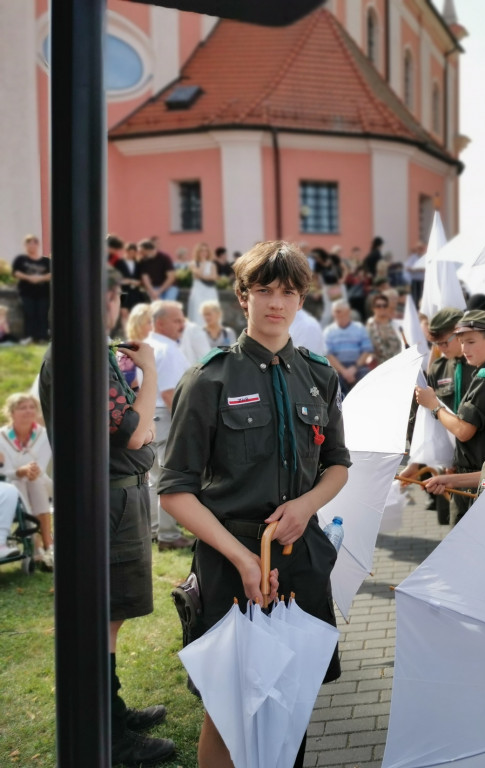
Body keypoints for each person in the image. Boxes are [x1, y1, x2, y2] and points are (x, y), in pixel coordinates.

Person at [159, 241, 351, 768]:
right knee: (227, 710)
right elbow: (175, 490)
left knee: (294, 700)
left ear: (302, 299)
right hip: (231, 561)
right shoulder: (210, 378)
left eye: (289, 292)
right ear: (242, 296)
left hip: (300, 559)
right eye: (264, 290)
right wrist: (243, 558)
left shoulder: (319, 374)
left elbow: (337, 465)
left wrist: (306, 506)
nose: (277, 303)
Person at [39, 269, 175, 765]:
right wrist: (152, 372)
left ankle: (111, 712)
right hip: (108, 504)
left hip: (112, 499)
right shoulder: (84, 351)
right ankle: (110, 733)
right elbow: (135, 432)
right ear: (110, 298)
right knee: (105, 618)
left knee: (109, 617)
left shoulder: (82, 348)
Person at [414, 310, 485, 524]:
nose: (465, 348)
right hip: (472, 472)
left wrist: (434, 406)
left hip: (480, 477)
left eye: (471, 342)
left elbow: (464, 430)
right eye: (462, 342)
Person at [399, 307, 471, 525]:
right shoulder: (439, 367)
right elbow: (430, 423)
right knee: (456, 527)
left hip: (477, 461)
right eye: (435, 344)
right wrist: (418, 463)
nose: (440, 349)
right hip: (449, 465)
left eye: (444, 342)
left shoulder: (480, 367)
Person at [145, 300, 192, 551]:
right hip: (166, 416)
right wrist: (186, 426)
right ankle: (168, 535)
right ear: (160, 323)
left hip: (147, 418)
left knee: (153, 479)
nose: (181, 324)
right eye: (176, 320)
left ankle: (155, 530)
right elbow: (170, 393)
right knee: (169, 479)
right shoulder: (168, 349)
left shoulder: (146, 346)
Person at [0, 393, 54, 570]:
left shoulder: (44, 435)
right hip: (13, 483)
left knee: (35, 482)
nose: (28, 411)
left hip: (40, 481)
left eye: (32, 407)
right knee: (17, 485)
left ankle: (44, 544)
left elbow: (41, 467)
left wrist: (28, 472)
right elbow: (4, 471)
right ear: (12, 412)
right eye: (23, 407)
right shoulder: (2, 437)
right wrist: (20, 471)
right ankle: (42, 545)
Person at [323, 299, 374, 394]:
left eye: (339, 311)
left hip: (358, 366)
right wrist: (344, 372)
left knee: (368, 381)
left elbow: (366, 350)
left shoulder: (359, 328)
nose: (336, 314)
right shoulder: (328, 331)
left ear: (347, 312)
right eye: (334, 312)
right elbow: (328, 354)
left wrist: (354, 368)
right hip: (337, 368)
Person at [12, 233, 51, 343]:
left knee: (42, 314)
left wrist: (39, 278)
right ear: (25, 246)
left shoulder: (46, 261)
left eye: (34, 244)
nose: (32, 246)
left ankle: (42, 337)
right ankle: (30, 337)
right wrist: (30, 277)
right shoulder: (20, 260)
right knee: (29, 314)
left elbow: (52, 274)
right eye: (29, 244)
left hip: (43, 293)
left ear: (37, 245)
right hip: (26, 293)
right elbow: (16, 273)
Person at [186, 243, 220, 324]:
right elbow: (197, 274)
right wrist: (203, 263)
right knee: (198, 312)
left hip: (210, 291)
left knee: (212, 310)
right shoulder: (193, 263)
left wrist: (202, 276)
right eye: (202, 251)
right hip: (198, 290)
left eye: (206, 251)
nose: (204, 253)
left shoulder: (212, 265)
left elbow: (214, 277)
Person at [365, 292, 403, 365]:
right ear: (373, 308)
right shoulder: (369, 326)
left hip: (398, 361)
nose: (382, 308)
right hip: (380, 365)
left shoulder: (396, 325)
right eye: (378, 306)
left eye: (384, 305)